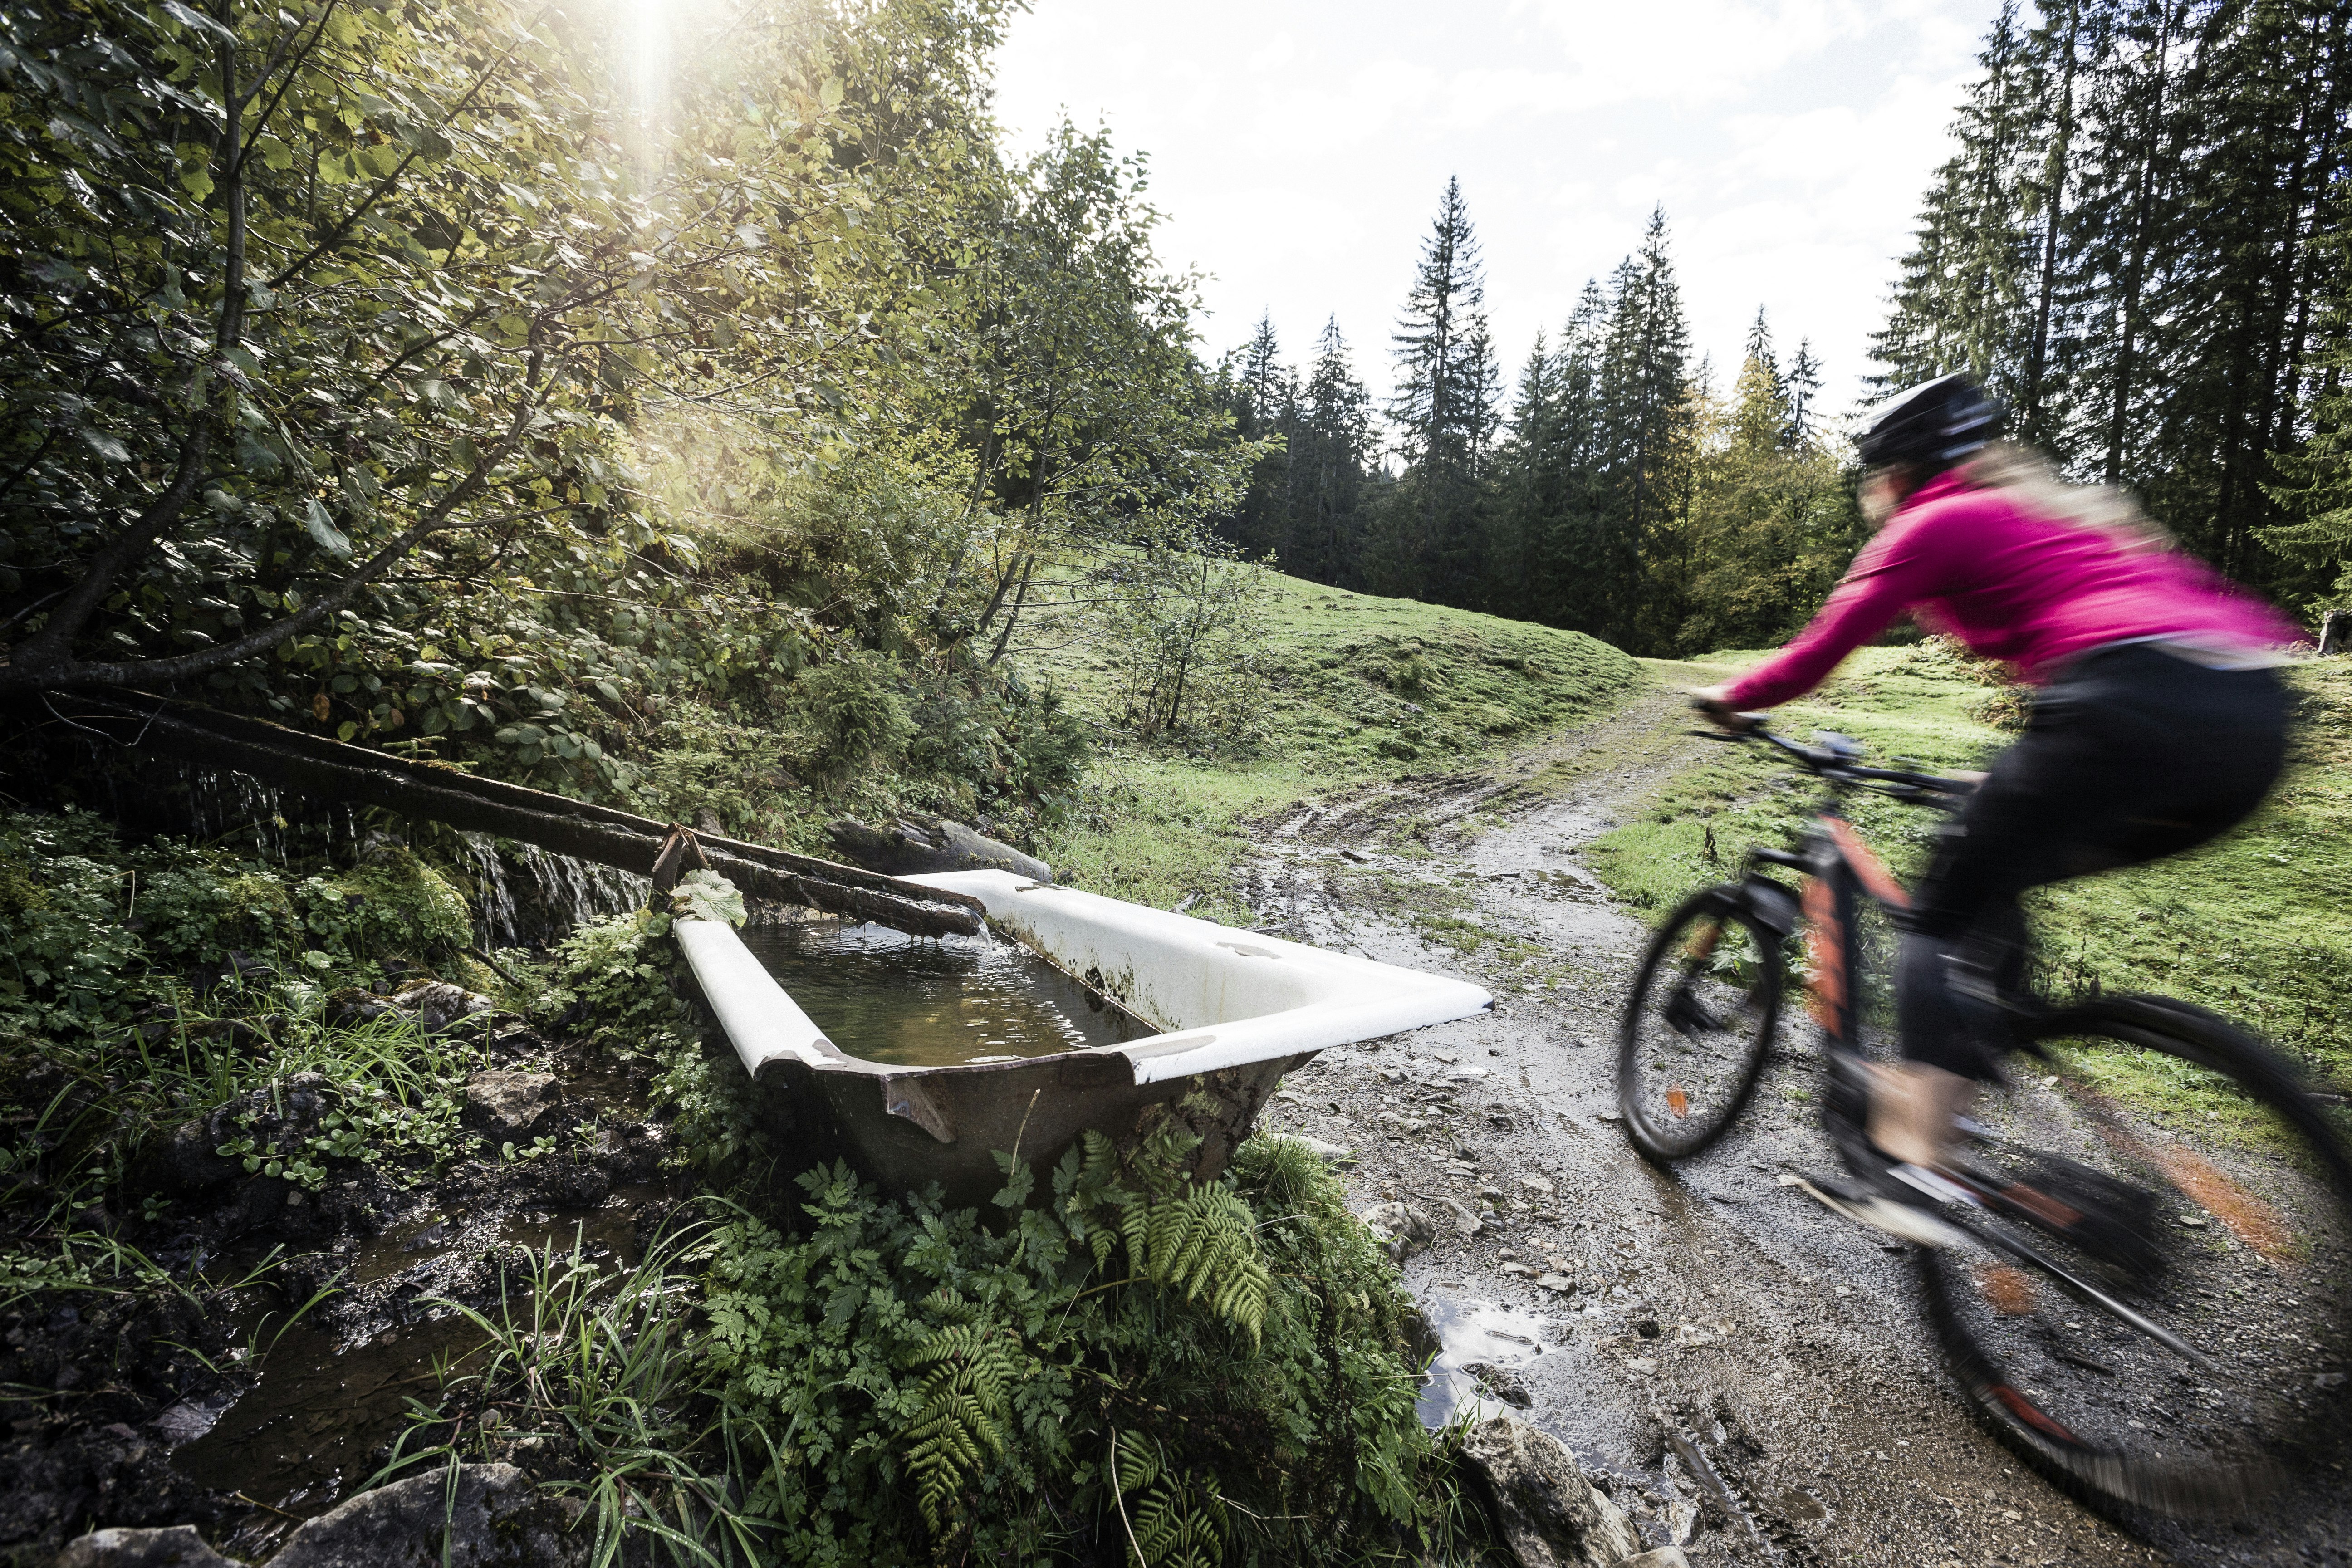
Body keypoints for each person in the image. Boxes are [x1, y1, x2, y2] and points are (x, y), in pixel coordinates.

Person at [1691, 372, 2300, 1237]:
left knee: (1938, 915)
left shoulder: (1934, 520)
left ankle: (1911, 1170)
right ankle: (1984, 1046)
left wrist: (1731, 698)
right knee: (1997, 873)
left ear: (1897, 472)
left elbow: (1819, 651)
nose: (1875, 499)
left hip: (2126, 705)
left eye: (1875, 482)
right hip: (2249, 725)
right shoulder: (2056, 516)